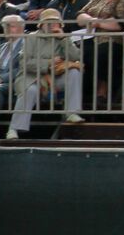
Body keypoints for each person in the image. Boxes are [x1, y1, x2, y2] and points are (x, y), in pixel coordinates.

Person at [8, 9, 85, 139]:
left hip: (56, 77)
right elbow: (25, 63)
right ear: (41, 24)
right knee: (30, 91)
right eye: (49, 22)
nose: (53, 25)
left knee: (74, 72)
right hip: (33, 78)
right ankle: (14, 129)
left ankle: (72, 113)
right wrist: (49, 62)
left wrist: (64, 40)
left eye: (56, 22)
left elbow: (76, 56)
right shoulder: (31, 38)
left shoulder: (64, 38)